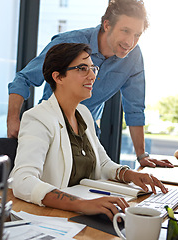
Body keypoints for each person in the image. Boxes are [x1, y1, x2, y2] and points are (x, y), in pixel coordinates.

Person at [10, 43, 168, 220]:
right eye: (82, 68)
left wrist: (131, 175)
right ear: (58, 77)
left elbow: (101, 164)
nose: (92, 75)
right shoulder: (38, 118)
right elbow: (22, 181)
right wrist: (80, 204)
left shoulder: (83, 114)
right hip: (54, 217)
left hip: (85, 212)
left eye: (93, 68)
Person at [7, 0, 173, 168]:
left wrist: (142, 155)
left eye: (137, 35)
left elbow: (135, 108)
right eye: (125, 31)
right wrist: (13, 120)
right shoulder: (70, 43)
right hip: (51, 129)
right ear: (107, 25)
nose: (130, 42)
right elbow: (24, 78)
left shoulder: (133, 58)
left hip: (87, 136)